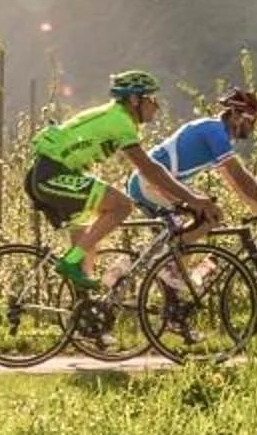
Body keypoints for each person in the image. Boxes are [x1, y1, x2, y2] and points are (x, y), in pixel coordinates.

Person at [23, 69, 217, 290]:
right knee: (122, 205)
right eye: (151, 99)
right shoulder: (120, 121)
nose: (157, 105)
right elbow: (149, 170)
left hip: (54, 174)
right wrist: (193, 199)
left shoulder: (117, 116)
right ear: (134, 100)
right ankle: (69, 262)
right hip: (52, 175)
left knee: (86, 254)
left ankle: (84, 314)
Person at [125, 88, 257, 240]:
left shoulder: (216, 132)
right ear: (235, 115)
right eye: (251, 120)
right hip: (149, 182)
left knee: (191, 226)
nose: (253, 127)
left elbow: (236, 186)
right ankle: (168, 267)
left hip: (149, 182)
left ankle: (127, 269)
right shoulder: (215, 132)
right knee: (209, 216)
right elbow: (241, 177)